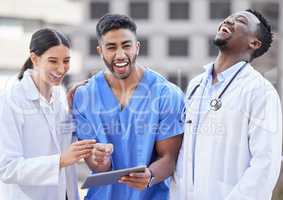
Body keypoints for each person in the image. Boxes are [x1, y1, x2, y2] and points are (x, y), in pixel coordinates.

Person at [170, 9, 282, 200]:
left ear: (254, 43)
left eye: (240, 21)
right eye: (228, 18)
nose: (228, 21)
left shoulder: (261, 91)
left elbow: (266, 164)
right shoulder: (196, 85)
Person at [72, 14, 184, 200]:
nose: (120, 55)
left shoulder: (166, 94)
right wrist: (100, 159)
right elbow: (95, 166)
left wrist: (149, 176)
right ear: (100, 51)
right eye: (111, 47)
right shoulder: (84, 96)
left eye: (126, 45)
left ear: (137, 47)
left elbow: (169, 159)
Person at [0, 28, 96, 200]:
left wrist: (92, 146)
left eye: (66, 61)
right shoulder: (10, 101)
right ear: (35, 59)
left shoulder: (59, 95)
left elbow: (64, 143)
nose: (61, 68)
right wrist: (60, 161)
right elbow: (7, 168)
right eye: (53, 61)